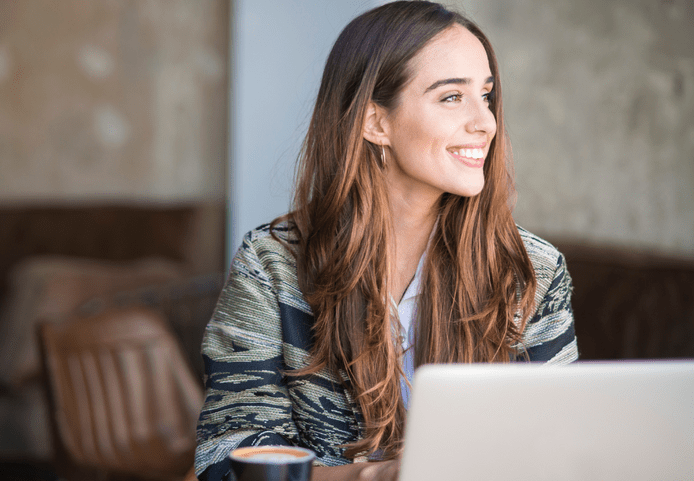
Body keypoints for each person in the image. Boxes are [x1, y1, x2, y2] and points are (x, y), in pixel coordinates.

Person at [194, 2, 578, 480]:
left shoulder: (531, 269)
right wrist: (375, 476)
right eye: (452, 97)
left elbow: (559, 447)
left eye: (486, 94)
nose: (486, 123)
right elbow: (229, 459)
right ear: (375, 122)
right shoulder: (271, 264)